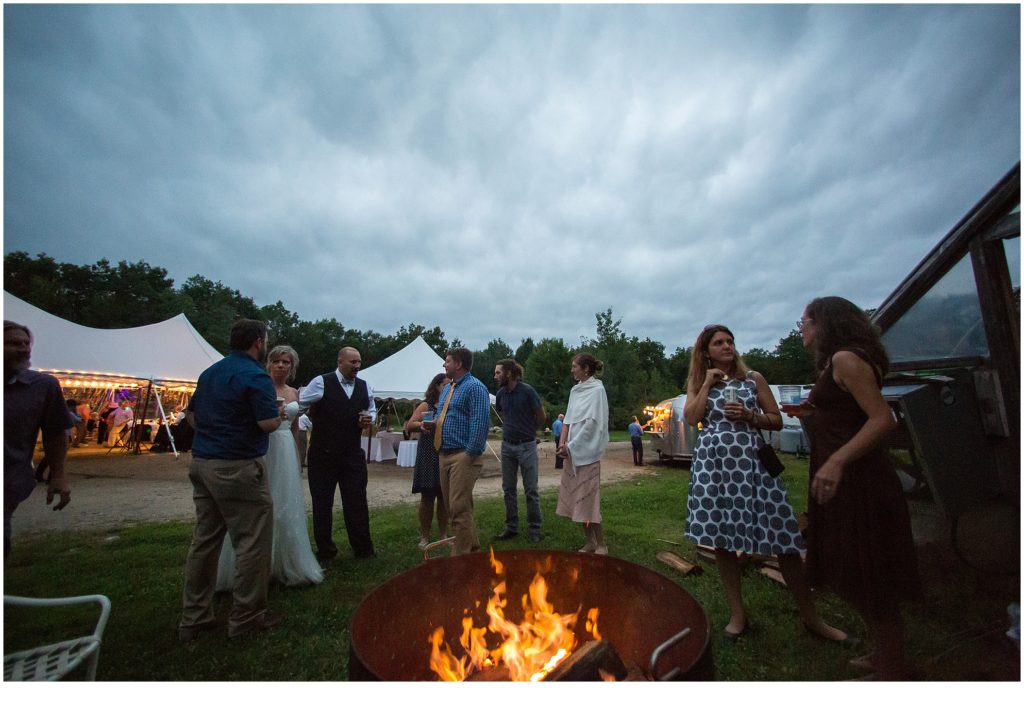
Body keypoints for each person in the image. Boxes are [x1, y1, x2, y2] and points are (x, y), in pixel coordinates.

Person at [682, 324, 853, 646]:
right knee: (722, 541)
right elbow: (692, 418)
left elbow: (776, 418)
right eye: (718, 343)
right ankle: (738, 615)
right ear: (705, 351)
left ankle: (812, 618)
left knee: (784, 537)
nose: (727, 346)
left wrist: (750, 415)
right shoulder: (698, 381)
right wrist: (706, 382)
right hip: (715, 467)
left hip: (752, 464)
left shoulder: (753, 379)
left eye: (730, 341)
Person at [788, 297, 922, 679]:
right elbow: (850, 413)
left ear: (824, 323)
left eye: (804, 320)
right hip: (846, 481)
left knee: (870, 571)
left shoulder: (847, 358)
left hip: (860, 482)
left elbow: (882, 419)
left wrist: (837, 460)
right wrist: (812, 413)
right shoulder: (838, 362)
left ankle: (893, 668)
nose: (801, 328)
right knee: (856, 571)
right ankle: (885, 653)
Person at [178, 319, 283, 642]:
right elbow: (267, 423)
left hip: (203, 462)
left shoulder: (210, 373)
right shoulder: (255, 376)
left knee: (205, 541)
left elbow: (191, 416)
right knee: (251, 541)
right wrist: (283, 415)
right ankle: (246, 618)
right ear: (258, 342)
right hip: (237, 465)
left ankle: (194, 617)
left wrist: (213, 433)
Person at [216, 345, 323, 590]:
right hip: (263, 446)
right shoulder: (259, 386)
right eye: (276, 361)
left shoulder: (295, 393)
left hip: (285, 446)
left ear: (292, 367)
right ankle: (250, 568)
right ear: (269, 364)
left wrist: (297, 458)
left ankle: (286, 563)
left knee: (285, 505)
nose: (281, 366)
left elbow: (296, 428)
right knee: (259, 505)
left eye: (286, 362)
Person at [298, 346, 376, 564]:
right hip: (323, 454)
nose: (357, 366)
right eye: (353, 362)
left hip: (352, 454)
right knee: (322, 503)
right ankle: (326, 552)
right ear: (340, 361)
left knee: (357, 501)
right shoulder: (321, 382)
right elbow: (301, 405)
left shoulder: (364, 386)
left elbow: (372, 410)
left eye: (359, 362)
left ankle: (363, 548)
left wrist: (369, 419)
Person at [4, 320, 73, 559]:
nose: (24, 349)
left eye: (26, 343)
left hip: (8, 478)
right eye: (13, 343)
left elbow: (55, 431)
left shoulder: (42, 386)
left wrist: (59, 475)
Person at [421, 348, 490, 556]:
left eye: (447, 361)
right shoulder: (450, 388)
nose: (444, 364)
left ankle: (460, 559)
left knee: (458, 509)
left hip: (463, 455)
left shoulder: (475, 388)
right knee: (456, 507)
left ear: (458, 364)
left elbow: (480, 422)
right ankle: (474, 549)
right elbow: (449, 416)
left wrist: (469, 454)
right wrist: (435, 424)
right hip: (444, 453)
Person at [555, 353, 610, 554]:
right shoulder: (575, 391)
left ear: (586, 368)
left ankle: (602, 543)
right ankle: (590, 541)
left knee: (589, 499)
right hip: (571, 452)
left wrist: (572, 445)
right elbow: (568, 420)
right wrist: (562, 443)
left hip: (587, 452)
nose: (572, 370)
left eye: (575, 366)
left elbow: (592, 424)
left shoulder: (597, 390)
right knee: (577, 499)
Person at [493, 359, 546, 543]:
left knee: (531, 489)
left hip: (527, 445)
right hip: (507, 445)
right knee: (508, 488)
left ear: (509, 373)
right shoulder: (501, 394)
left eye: (498, 373)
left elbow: (541, 415)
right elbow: (505, 413)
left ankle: (534, 528)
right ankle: (511, 527)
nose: (495, 376)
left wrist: (532, 433)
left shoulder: (528, 391)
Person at [404, 373, 449, 549]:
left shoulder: (449, 405)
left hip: (445, 451)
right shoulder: (426, 404)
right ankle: (424, 536)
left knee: (444, 497)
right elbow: (410, 424)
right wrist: (421, 425)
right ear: (437, 386)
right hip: (428, 453)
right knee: (427, 496)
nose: (448, 387)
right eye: (445, 385)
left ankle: (443, 534)